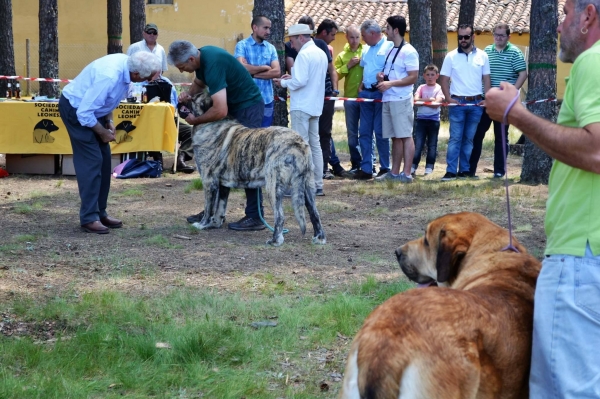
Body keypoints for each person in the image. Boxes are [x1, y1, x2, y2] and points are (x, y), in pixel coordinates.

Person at [485, 0, 600, 396]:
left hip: (580, 257)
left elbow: (596, 152)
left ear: (589, 17)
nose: (559, 25)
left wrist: (515, 114)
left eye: (567, 13)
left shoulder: (593, 61)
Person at [58, 52, 162, 234]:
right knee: (92, 162)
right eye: (148, 77)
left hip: (92, 112)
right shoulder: (108, 76)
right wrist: (102, 133)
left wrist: (109, 122)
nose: (149, 80)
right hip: (75, 110)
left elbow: (107, 101)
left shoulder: (127, 67)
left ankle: (100, 212)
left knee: (105, 160)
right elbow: (84, 113)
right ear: (136, 74)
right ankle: (89, 217)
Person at [168, 40, 266, 231]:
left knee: (245, 160)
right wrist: (188, 95)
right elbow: (198, 82)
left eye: (182, 67)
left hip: (247, 107)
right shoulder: (201, 58)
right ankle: (212, 212)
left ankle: (255, 215)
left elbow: (220, 110)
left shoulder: (212, 63)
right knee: (219, 161)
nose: (181, 71)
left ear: (190, 58)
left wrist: (195, 121)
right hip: (234, 108)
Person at [274, 24, 328, 196]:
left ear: (301, 38)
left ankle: (302, 186)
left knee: (300, 147)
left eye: (293, 40)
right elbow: (307, 78)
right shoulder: (320, 53)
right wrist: (293, 78)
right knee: (315, 145)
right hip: (315, 105)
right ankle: (317, 184)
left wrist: (283, 83)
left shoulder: (304, 54)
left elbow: (300, 82)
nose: (292, 44)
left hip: (302, 105)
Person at [468, 23, 527, 178]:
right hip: (486, 100)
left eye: (501, 35)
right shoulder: (487, 51)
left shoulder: (515, 53)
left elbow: (522, 74)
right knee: (478, 134)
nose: (498, 38)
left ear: (509, 37)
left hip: (504, 103)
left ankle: (499, 171)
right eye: (496, 34)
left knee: (501, 136)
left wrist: (512, 91)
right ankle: (471, 170)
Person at [439, 24, 491, 181]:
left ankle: (464, 171)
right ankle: (450, 171)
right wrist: (448, 98)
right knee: (455, 138)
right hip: (457, 103)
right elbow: (443, 79)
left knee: (469, 138)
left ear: (473, 37)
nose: (462, 40)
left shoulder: (483, 56)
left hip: (476, 103)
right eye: (460, 37)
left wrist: (486, 99)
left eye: (466, 37)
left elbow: (486, 79)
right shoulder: (451, 56)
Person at [374, 15, 418, 183]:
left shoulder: (409, 51)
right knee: (395, 136)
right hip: (388, 97)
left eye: (388, 27)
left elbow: (413, 77)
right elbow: (392, 73)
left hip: (401, 98)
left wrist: (390, 83)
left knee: (405, 135)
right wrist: (382, 77)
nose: (385, 30)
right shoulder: (391, 49)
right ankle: (394, 172)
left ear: (396, 30)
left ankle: (406, 174)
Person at [353, 20, 394, 180]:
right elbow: (366, 68)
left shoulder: (389, 47)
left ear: (372, 34)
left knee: (381, 132)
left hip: (380, 94)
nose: (362, 39)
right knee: (364, 132)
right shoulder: (366, 49)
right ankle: (367, 168)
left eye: (363, 35)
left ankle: (385, 167)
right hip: (366, 94)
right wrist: (361, 86)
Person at [127, 23, 169, 164]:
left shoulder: (161, 49)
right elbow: (128, 67)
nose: (152, 35)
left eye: (154, 33)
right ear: (144, 33)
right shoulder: (135, 47)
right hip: (138, 86)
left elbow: (162, 70)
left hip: (156, 85)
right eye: (149, 32)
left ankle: (157, 152)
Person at [234, 15, 280, 127]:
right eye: (265, 28)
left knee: (264, 136)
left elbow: (277, 72)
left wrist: (251, 73)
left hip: (267, 100)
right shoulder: (242, 46)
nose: (268, 31)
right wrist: (264, 67)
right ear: (255, 27)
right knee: (248, 135)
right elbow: (241, 69)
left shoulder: (271, 48)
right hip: (248, 100)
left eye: (269, 28)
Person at [314, 19, 343, 179]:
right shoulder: (317, 44)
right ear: (324, 32)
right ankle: (321, 168)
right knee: (320, 133)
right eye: (332, 34)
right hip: (315, 98)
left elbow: (332, 70)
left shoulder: (324, 46)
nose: (333, 38)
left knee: (324, 133)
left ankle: (324, 168)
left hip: (326, 96)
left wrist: (334, 89)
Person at [334, 24, 365, 173]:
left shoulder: (366, 52)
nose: (354, 40)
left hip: (366, 98)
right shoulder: (341, 55)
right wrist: (348, 65)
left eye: (357, 37)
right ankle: (355, 163)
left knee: (366, 132)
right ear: (346, 37)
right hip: (350, 98)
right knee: (352, 132)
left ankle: (368, 163)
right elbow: (336, 75)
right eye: (351, 37)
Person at [411, 64, 445, 175]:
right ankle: (413, 166)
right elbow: (416, 101)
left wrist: (425, 103)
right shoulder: (421, 87)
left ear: (437, 76)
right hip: (421, 120)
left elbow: (437, 104)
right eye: (428, 75)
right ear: (424, 76)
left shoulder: (439, 88)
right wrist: (429, 99)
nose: (430, 77)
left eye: (432, 75)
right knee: (418, 145)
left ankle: (429, 167)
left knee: (432, 145)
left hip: (434, 121)